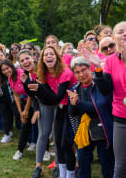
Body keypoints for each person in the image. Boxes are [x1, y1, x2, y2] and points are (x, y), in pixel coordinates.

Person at [24, 46, 77, 178]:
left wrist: (40, 90)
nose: (49, 56)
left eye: (52, 54)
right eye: (46, 54)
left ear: (57, 57)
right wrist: (32, 87)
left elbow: (57, 98)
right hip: (60, 108)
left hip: (71, 108)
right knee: (58, 143)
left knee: (65, 144)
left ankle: (70, 173)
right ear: (42, 59)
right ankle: (62, 173)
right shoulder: (45, 74)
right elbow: (48, 99)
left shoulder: (65, 72)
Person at [81, 21, 126, 178]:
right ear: (114, 36)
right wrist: (98, 68)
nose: (125, 34)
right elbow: (106, 89)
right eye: (120, 31)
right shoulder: (111, 61)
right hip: (120, 118)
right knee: (120, 166)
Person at [67, 56, 114, 178]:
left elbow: (99, 107)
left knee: (106, 165)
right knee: (83, 164)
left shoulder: (99, 84)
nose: (81, 74)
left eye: (83, 70)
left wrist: (78, 103)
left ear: (89, 68)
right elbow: (72, 112)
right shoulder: (74, 88)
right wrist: (73, 102)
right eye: (77, 72)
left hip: (103, 128)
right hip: (84, 130)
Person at [0, 59, 20, 143]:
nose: (6, 71)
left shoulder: (17, 75)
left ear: (12, 67)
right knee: (5, 117)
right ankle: (7, 133)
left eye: (7, 68)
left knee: (18, 116)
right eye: (3, 70)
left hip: (15, 100)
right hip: (3, 100)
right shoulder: (1, 77)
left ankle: (25, 136)